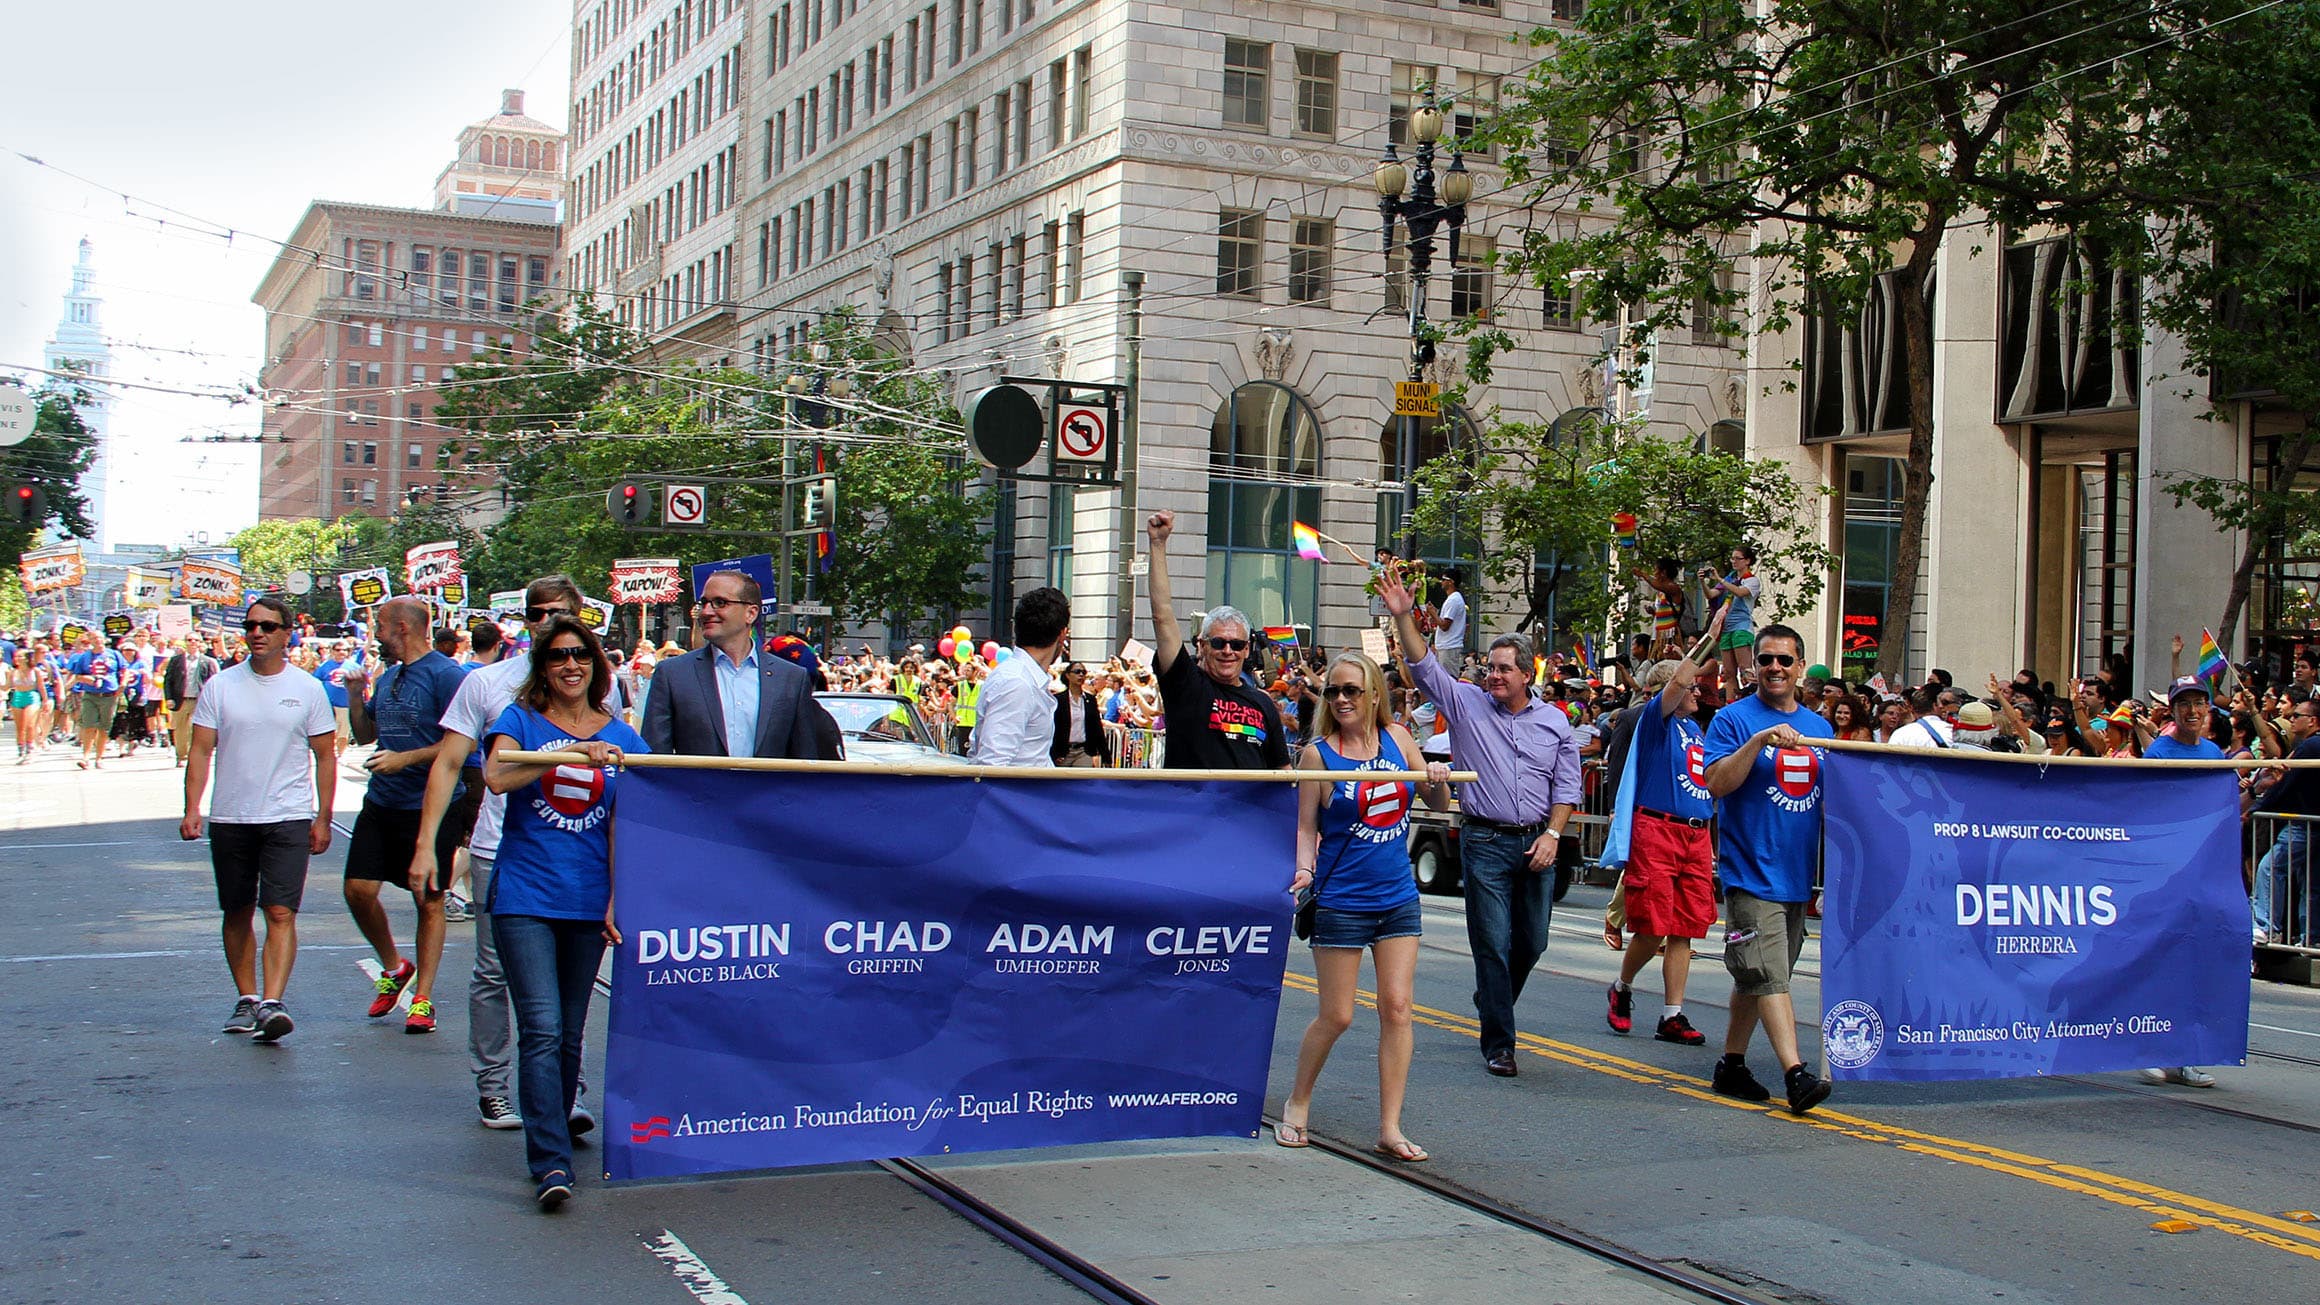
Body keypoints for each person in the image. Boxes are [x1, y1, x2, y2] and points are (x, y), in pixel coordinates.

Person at [1377, 560, 1581, 1077]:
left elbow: (1568, 787)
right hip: (1484, 841)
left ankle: (1491, 999)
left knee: (1531, 942)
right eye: (1489, 667)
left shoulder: (1556, 721)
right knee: (1491, 940)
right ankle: (1500, 1043)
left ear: (1526, 673)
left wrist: (1554, 834)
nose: (1492, 675)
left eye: (1503, 669)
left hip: (1538, 842)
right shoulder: (1466, 703)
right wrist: (1405, 617)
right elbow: (1425, 668)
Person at [410, 577, 594, 1131]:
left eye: (559, 614)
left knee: (568, 982)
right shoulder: (487, 684)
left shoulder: (597, 680)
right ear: (524, 620)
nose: (547, 624)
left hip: (574, 849)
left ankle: (568, 1088)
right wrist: (427, 846)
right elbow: (450, 764)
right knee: (494, 973)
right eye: (537, 614)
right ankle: (494, 1086)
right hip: (499, 850)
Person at [481, 614, 648, 1210]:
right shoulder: (520, 720)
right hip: (526, 895)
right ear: (543, 668)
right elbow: (497, 777)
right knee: (543, 1027)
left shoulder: (624, 736)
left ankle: (552, 1131)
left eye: (580, 654)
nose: (570, 665)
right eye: (557, 657)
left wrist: (616, 895)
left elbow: (634, 821)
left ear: (597, 664)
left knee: (571, 1032)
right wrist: (568, 753)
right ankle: (549, 1161)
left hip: (587, 903)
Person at [1277, 651, 1451, 1161]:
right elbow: (1307, 826)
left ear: (1375, 694)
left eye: (1352, 690)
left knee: (1397, 1007)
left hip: (1397, 895)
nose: (1342, 699)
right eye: (1333, 691)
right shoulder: (1319, 756)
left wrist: (1436, 778)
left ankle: (1390, 1127)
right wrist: (1304, 870)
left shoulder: (1399, 740)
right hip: (1342, 900)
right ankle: (1298, 1101)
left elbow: (1434, 804)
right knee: (1337, 1015)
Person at [180, 597, 338, 1043]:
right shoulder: (221, 686)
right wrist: (193, 807)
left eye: (268, 626)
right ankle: (247, 997)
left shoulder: (307, 688)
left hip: (287, 815)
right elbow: (200, 750)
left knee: (281, 910)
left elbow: (326, 756)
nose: (258, 633)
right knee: (237, 910)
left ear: (288, 633)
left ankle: (273, 1002)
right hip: (231, 815)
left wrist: (323, 817)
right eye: (251, 625)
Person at [1699, 622, 1835, 1115]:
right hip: (1749, 873)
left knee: (1757, 977)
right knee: (1770, 974)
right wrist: (1757, 742)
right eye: (1765, 660)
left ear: (1800, 667)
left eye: (1784, 660)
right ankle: (1796, 1075)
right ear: (1752, 665)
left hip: (1797, 877)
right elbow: (1716, 783)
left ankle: (1731, 1065)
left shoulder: (1822, 730)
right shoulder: (1732, 721)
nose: (1774, 667)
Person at [341, 597, 471, 1034]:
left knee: (429, 900)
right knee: (357, 890)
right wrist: (356, 695)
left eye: (379, 625)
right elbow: (365, 734)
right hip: (382, 801)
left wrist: (407, 759)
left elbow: (465, 744)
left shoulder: (447, 675)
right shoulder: (390, 675)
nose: (374, 633)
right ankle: (394, 967)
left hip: (431, 805)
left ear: (401, 627)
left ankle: (423, 997)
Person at [1606, 642, 1721, 1049]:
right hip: (1657, 828)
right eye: (1692, 688)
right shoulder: (1652, 720)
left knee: (1685, 928)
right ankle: (1623, 986)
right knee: (1653, 926)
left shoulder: (1696, 729)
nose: (1697, 694)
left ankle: (1672, 1014)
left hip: (1694, 832)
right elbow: (1677, 681)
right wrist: (1707, 635)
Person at [1143, 510, 1292, 769]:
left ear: (1247, 650)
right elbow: (1162, 615)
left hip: (1246, 810)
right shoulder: (1186, 684)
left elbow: (1282, 771)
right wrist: (1157, 544)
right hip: (1194, 807)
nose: (1227, 650)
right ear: (1201, 645)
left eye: (1236, 645)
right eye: (1218, 642)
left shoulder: (1263, 704)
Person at [641, 570, 830, 760]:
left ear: (751, 613)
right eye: (704, 603)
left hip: (767, 789)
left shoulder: (791, 678)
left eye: (720, 603)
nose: (706, 612)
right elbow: (655, 761)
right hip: (695, 789)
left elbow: (803, 760)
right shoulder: (673, 674)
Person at [972, 587, 1073, 767]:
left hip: (1030, 791)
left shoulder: (1021, 678)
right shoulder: (1016, 683)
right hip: (1018, 793)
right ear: (1062, 633)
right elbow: (992, 765)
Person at [1700, 545, 1764, 692]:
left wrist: (1720, 580)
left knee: (1745, 669)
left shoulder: (1752, 581)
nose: (1734, 561)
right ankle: (1731, 702)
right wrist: (1703, 582)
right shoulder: (1730, 578)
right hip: (1726, 627)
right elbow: (1711, 594)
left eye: (1738, 558)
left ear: (1747, 561)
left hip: (1741, 627)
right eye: (1732, 558)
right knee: (1729, 673)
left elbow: (1740, 592)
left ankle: (1751, 698)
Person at [65, 629, 124, 770]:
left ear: (104, 639)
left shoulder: (114, 654)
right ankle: (85, 757)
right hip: (90, 695)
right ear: (90, 641)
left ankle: (99, 757)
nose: (97, 640)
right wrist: (73, 685)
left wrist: (123, 684)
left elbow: (124, 670)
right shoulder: (84, 657)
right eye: (93, 638)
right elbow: (77, 675)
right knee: (88, 725)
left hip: (109, 695)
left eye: (99, 637)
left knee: (104, 727)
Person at [165, 637, 222, 768]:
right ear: (185, 642)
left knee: (195, 729)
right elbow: (168, 680)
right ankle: (181, 756)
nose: (193, 642)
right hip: (181, 700)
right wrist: (169, 698)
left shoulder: (208, 661)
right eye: (190, 640)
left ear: (200, 643)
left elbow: (214, 682)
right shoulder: (176, 660)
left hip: (200, 700)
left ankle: (193, 755)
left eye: (196, 640)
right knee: (180, 729)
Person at [1051, 661, 1112, 767]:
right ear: (1068, 675)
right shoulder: (1058, 699)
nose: (1081, 675)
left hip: (1084, 751)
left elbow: (1097, 727)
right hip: (1063, 752)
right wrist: (1054, 753)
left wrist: (1106, 756)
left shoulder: (1090, 699)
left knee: (1082, 781)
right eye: (1077, 672)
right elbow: (1052, 728)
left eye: (1083, 672)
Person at [1887, 685, 1955, 749]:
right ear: (1935, 706)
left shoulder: (1900, 734)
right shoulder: (1952, 732)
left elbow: (1890, 760)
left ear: (1913, 708)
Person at [1431, 568, 1469, 667]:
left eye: (1444, 579)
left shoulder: (1454, 600)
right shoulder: (1452, 599)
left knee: (1448, 680)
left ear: (1451, 582)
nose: (1441, 582)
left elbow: (1445, 626)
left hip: (1449, 647)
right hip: (1445, 647)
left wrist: (1433, 614)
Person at [8, 649, 39, 763]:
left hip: (32, 697)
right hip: (18, 697)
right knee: (20, 727)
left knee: (29, 724)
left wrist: (45, 701)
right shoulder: (13, 672)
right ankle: (21, 750)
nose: (17, 659)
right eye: (16, 656)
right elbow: (7, 686)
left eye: (20, 656)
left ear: (26, 658)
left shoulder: (35, 671)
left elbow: (41, 687)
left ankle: (30, 749)